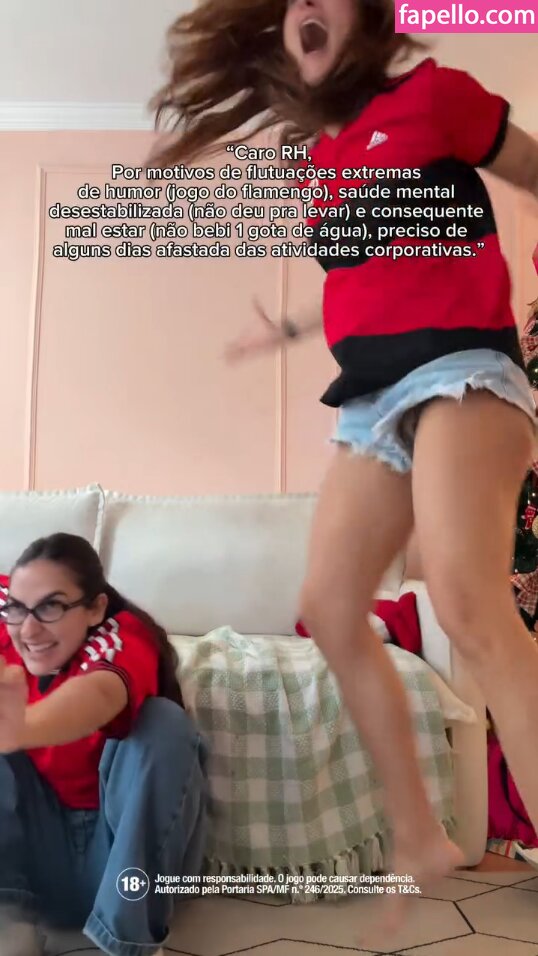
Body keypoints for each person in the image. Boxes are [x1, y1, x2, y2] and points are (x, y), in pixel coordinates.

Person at [150, 0, 538, 933]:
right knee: (328, 606)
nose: (306, 9)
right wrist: (288, 326)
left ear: (367, 19)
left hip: (463, 368)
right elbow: (367, 273)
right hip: (371, 395)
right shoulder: (320, 159)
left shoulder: (436, 96)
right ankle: (420, 835)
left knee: (470, 603)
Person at [0, 533, 207, 956]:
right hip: (40, 861)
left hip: (122, 857)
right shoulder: (12, 610)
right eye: (18, 609)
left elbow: (98, 694)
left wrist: (20, 728)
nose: (30, 629)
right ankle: (9, 924)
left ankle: (129, 939)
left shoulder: (122, 636)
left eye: (52, 607)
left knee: (164, 724)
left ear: (95, 608)